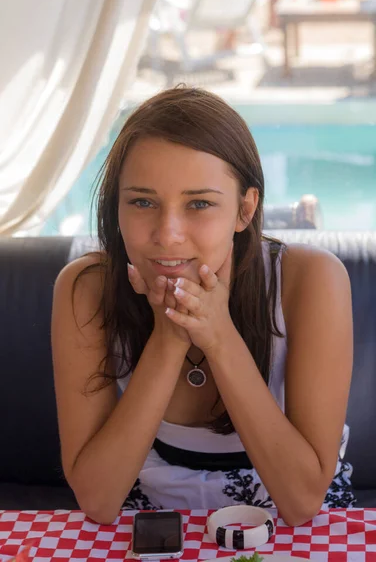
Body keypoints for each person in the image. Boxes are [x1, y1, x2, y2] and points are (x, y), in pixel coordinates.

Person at [51, 86, 355, 526]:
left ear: (244, 210)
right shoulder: (85, 288)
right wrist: (170, 335)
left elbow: (302, 500)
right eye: (142, 201)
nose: (168, 233)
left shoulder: (311, 281)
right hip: (151, 516)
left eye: (199, 203)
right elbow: (98, 501)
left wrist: (217, 335)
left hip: (288, 520)